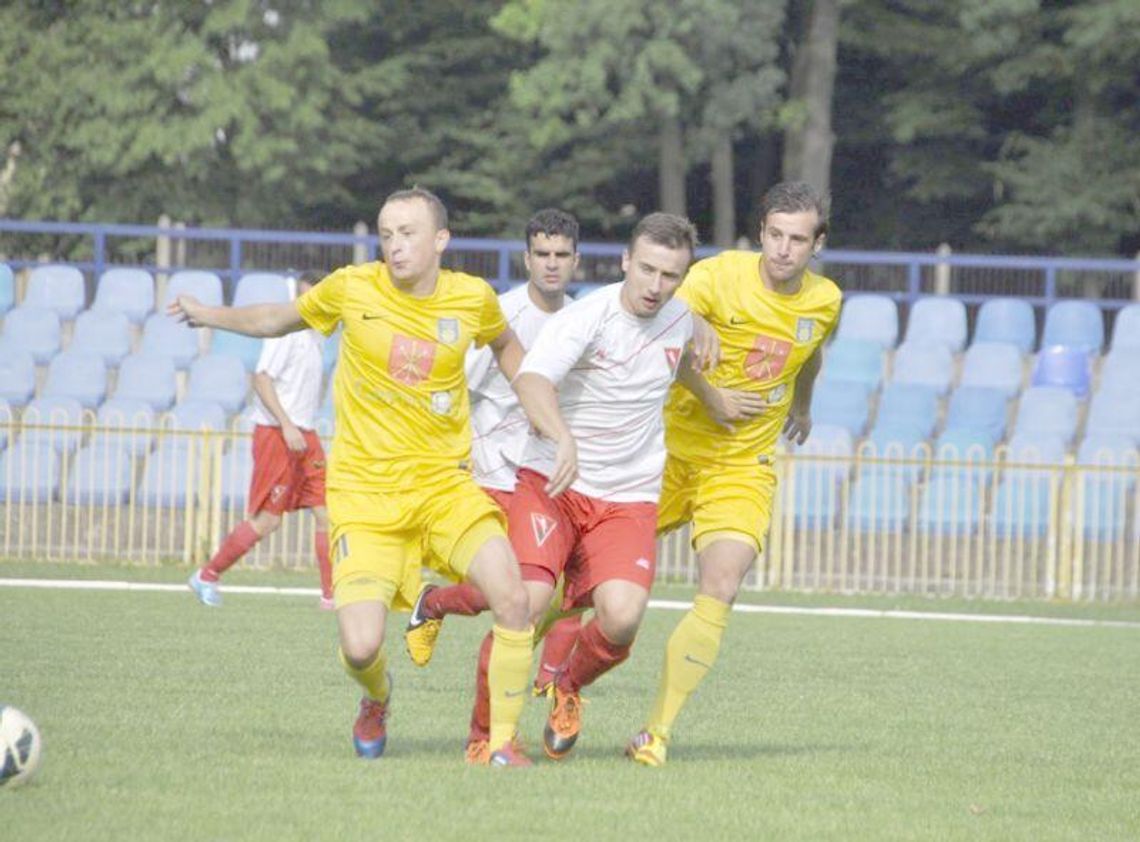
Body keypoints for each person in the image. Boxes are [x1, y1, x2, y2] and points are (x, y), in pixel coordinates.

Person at [169, 187, 536, 767]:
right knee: (361, 647)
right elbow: (275, 319)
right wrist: (210, 314)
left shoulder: (473, 298)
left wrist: (540, 407)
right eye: (387, 234)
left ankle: (503, 743)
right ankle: (377, 699)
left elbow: (506, 343)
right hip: (365, 500)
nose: (395, 245)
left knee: (514, 598)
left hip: (445, 490)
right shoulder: (351, 286)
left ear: (440, 239)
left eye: (408, 233)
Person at [626, 180, 843, 767]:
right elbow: (665, 330)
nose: (783, 250)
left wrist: (802, 403)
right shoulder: (717, 275)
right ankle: (549, 675)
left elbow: (813, 350)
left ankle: (656, 734)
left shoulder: (824, 301)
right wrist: (707, 375)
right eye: (775, 235)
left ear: (816, 244)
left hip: (742, 465)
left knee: (722, 584)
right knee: (601, 583)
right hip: (667, 452)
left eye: (798, 239)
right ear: (762, 233)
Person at [401, 208, 587, 762]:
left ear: (576, 261)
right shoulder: (499, 315)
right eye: (542, 255)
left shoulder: (582, 319)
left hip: (545, 478)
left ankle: (435, 604)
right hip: (491, 474)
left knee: (547, 601)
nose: (551, 265)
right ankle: (487, 736)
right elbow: (458, 391)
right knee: (519, 606)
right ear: (527, 258)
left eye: (561, 255)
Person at [189, 270, 334, 610]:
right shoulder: (286, 334)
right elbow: (261, 378)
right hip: (278, 434)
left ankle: (330, 595)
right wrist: (286, 425)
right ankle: (207, 574)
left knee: (328, 514)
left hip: (305, 433)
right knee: (267, 521)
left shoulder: (317, 335)